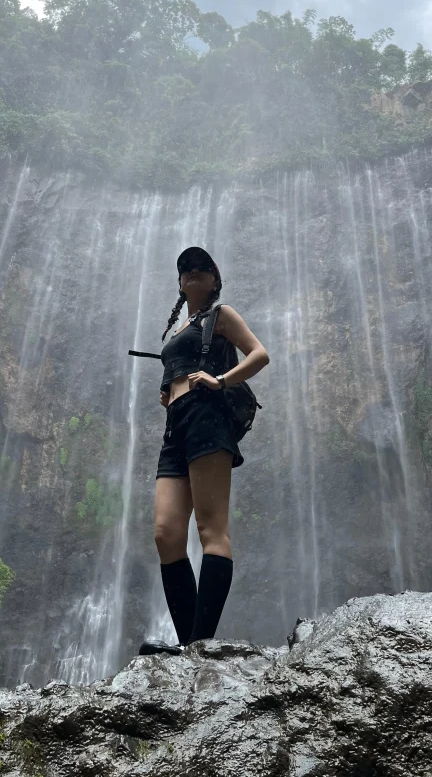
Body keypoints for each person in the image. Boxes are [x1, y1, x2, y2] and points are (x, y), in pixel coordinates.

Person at [139, 246, 270, 655]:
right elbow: (176, 370)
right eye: (185, 269)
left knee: (211, 529)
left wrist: (221, 380)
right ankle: (187, 644)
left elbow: (260, 354)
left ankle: (199, 645)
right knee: (166, 534)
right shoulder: (181, 329)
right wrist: (169, 389)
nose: (193, 272)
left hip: (207, 416)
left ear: (214, 278)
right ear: (179, 283)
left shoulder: (222, 314)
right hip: (175, 424)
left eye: (202, 267)